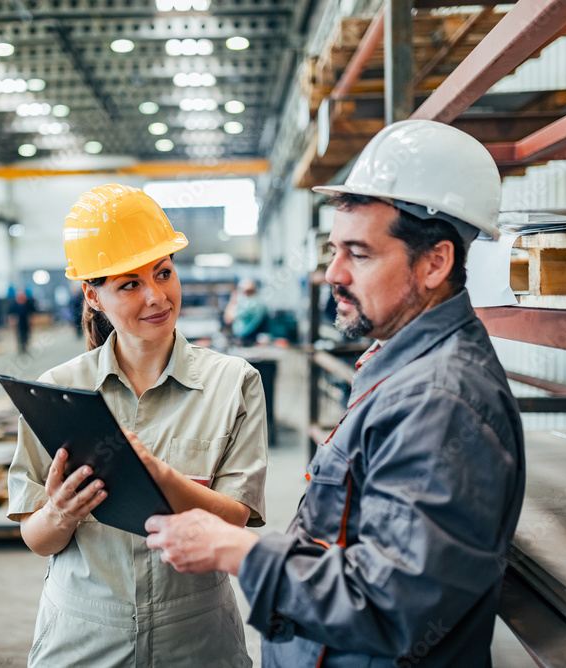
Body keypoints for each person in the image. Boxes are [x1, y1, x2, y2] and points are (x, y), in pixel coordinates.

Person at [144, 120, 526, 667]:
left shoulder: (441, 401)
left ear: (435, 263)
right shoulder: (400, 366)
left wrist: (238, 549)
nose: (333, 274)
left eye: (360, 254)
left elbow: (395, 603)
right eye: (333, 251)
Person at [7, 183, 269, 667]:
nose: (157, 296)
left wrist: (157, 475)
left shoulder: (233, 382)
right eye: (129, 284)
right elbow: (36, 538)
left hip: (197, 639)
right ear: (93, 296)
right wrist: (61, 511)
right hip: (83, 638)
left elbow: (234, 519)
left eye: (163, 273)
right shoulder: (58, 391)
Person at [223, 279, 269, 346]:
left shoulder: (251, 304)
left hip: (247, 340)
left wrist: (233, 300)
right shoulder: (257, 302)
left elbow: (228, 319)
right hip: (249, 338)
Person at [9, 289, 33, 354]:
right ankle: (20, 346)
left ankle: (25, 345)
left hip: (26, 321)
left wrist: (31, 319)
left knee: (26, 334)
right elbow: (11, 313)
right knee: (19, 334)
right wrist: (12, 320)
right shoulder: (14, 303)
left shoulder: (27, 302)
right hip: (18, 322)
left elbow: (32, 311)